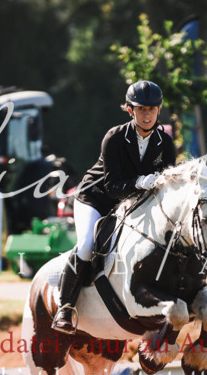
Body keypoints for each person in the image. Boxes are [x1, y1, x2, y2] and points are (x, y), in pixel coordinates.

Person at [51, 80, 177, 333]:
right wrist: (141, 182)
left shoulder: (165, 142)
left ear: (159, 109)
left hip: (132, 203)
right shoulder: (115, 138)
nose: (147, 114)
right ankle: (66, 307)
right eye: (141, 109)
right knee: (87, 245)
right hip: (97, 198)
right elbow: (112, 187)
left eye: (152, 109)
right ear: (130, 110)